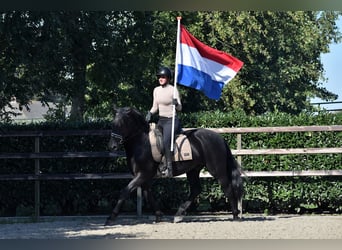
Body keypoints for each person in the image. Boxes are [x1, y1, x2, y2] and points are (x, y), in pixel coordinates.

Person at [145, 66, 182, 177]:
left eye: (163, 77)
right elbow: (155, 106)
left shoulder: (173, 89)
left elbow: (180, 108)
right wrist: (150, 113)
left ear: (168, 78)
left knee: (166, 141)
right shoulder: (156, 90)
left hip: (172, 120)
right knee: (154, 140)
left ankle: (169, 168)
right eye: (159, 77)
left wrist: (176, 103)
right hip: (161, 120)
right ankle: (158, 164)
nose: (160, 78)